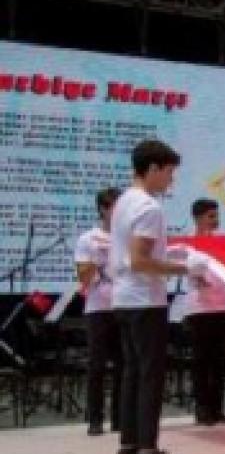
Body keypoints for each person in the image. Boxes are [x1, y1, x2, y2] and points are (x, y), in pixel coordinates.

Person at [109, 140, 201, 454]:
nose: (171, 180)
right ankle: (148, 450)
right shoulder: (149, 208)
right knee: (150, 375)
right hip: (144, 299)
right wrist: (185, 268)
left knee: (133, 373)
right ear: (152, 169)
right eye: (169, 172)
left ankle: (129, 446)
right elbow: (140, 260)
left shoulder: (122, 202)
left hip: (122, 298)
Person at [184, 199, 225, 426]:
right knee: (202, 360)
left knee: (220, 361)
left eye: (216, 216)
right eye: (210, 216)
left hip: (224, 305)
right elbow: (187, 269)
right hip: (200, 308)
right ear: (197, 218)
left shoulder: (223, 243)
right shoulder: (188, 243)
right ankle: (202, 408)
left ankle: (217, 408)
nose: (215, 221)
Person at [75, 187, 123, 437]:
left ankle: (119, 419)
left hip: (124, 306)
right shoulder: (88, 238)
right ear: (104, 209)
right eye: (116, 207)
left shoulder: (127, 237)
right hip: (98, 308)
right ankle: (95, 419)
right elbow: (83, 278)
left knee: (124, 365)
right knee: (97, 365)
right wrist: (97, 255)